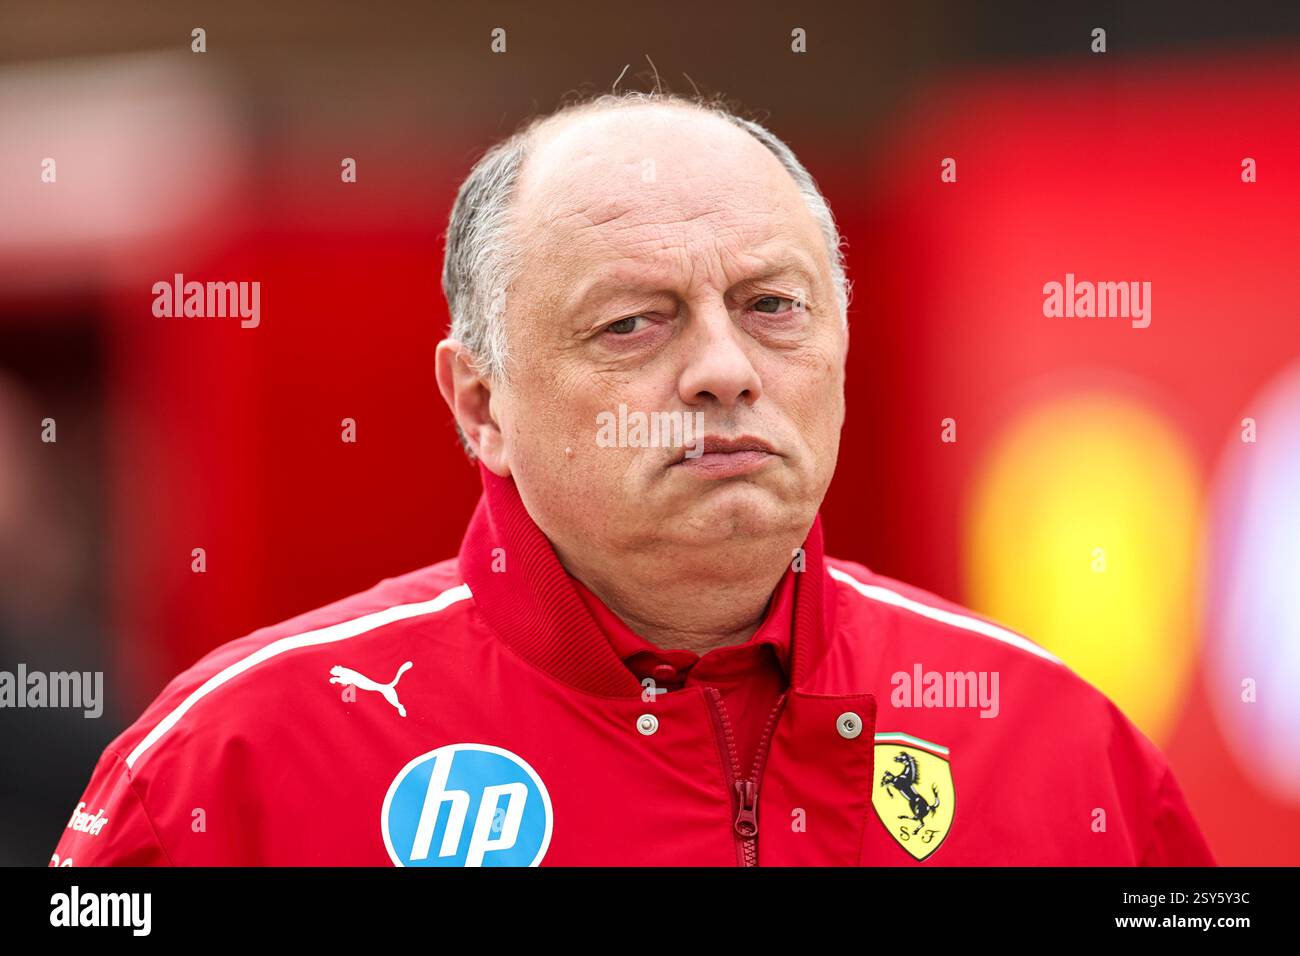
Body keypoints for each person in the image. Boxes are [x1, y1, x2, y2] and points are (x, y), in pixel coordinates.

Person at [52, 92, 1214, 866]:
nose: (722, 369)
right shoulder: (234, 764)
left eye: (773, 307)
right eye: (631, 323)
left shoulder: (1063, 747)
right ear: (481, 403)